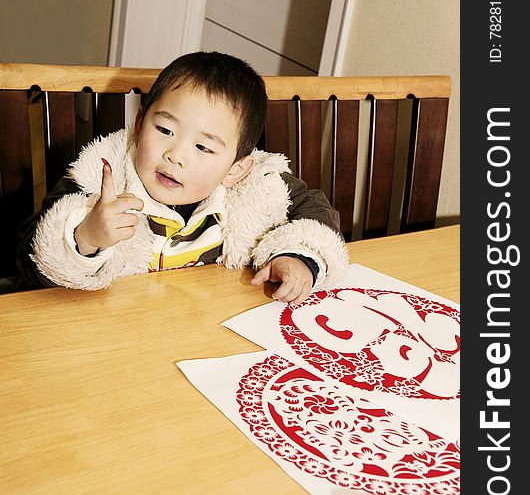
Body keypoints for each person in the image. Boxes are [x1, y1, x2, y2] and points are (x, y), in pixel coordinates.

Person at [16, 51, 348, 305]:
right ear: (140, 123)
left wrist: (297, 258)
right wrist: (85, 237)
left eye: (203, 147)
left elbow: (316, 215)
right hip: (109, 340)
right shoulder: (99, 181)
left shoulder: (260, 185)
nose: (176, 155)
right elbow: (27, 257)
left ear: (236, 168)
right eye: (164, 130)